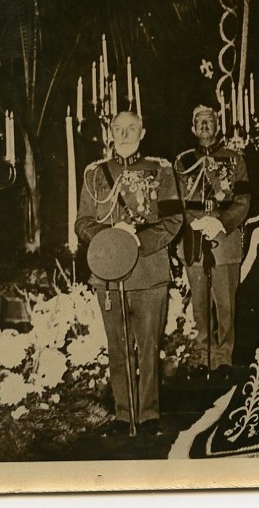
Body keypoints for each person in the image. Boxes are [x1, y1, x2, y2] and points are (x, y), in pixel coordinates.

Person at [75, 111, 184, 437]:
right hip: (108, 274)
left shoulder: (161, 170)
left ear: (143, 130)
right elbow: (82, 223)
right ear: (110, 132)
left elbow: (173, 219)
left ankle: (148, 415)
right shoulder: (95, 174)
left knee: (149, 347)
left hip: (149, 272)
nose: (124, 134)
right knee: (118, 347)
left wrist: (136, 240)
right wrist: (111, 239)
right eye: (118, 129)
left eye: (131, 128)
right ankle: (124, 416)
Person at [174, 105, 251, 382]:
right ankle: (200, 356)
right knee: (199, 303)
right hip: (193, 238)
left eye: (210, 122)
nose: (205, 126)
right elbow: (176, 200)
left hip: (225, 239)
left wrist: (220, 221)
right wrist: (193, 222)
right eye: (200, 122)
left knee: (225, 304)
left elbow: (243, 200)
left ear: (218, 127)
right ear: (193, 129)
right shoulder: (182, 162)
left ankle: (223, 360)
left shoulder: (235, 160)